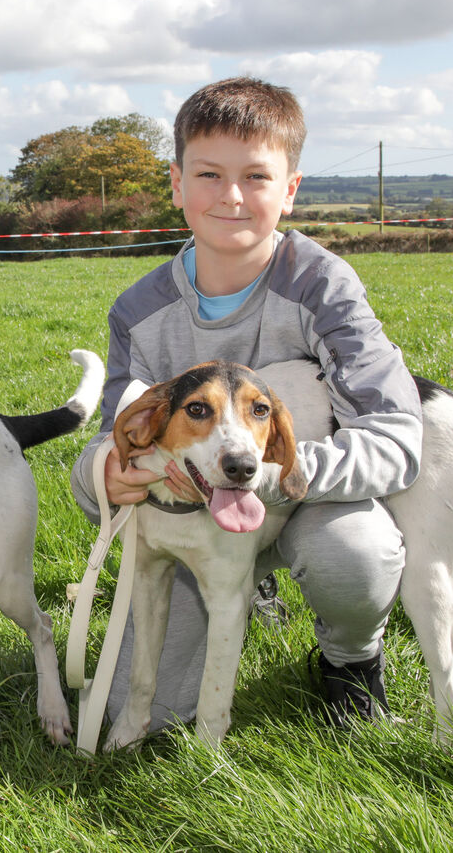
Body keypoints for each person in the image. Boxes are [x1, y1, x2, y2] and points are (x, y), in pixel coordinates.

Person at [70, 77, 422, 731]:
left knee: (359, 557)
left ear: (289, 189)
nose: (231, 196)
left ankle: (350, 660)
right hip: (189, 511)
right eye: (209, 173)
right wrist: (105, 476)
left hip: (310, 497)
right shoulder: (139, 313)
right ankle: (244, 585)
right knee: (140, 719)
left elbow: (398, 438)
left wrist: (276, 473)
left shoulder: (326, 287)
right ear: (176, 183)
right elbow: (110, 443)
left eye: (256, 176)